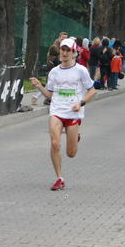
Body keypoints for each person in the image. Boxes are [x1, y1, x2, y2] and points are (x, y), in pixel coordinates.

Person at [29, 38, 96, 191]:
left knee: (71, 153)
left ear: (74, 53)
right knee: (55, 143)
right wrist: (39, 86)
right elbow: (50, 95)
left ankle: (75, 136)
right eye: (62, 49)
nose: (64, 53)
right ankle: (60, 178)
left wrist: (81, 103)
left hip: (73, 113)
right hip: (57, 111)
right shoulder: (54, 72)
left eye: (68, 50)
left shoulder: (81, 70)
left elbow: (92, 91)